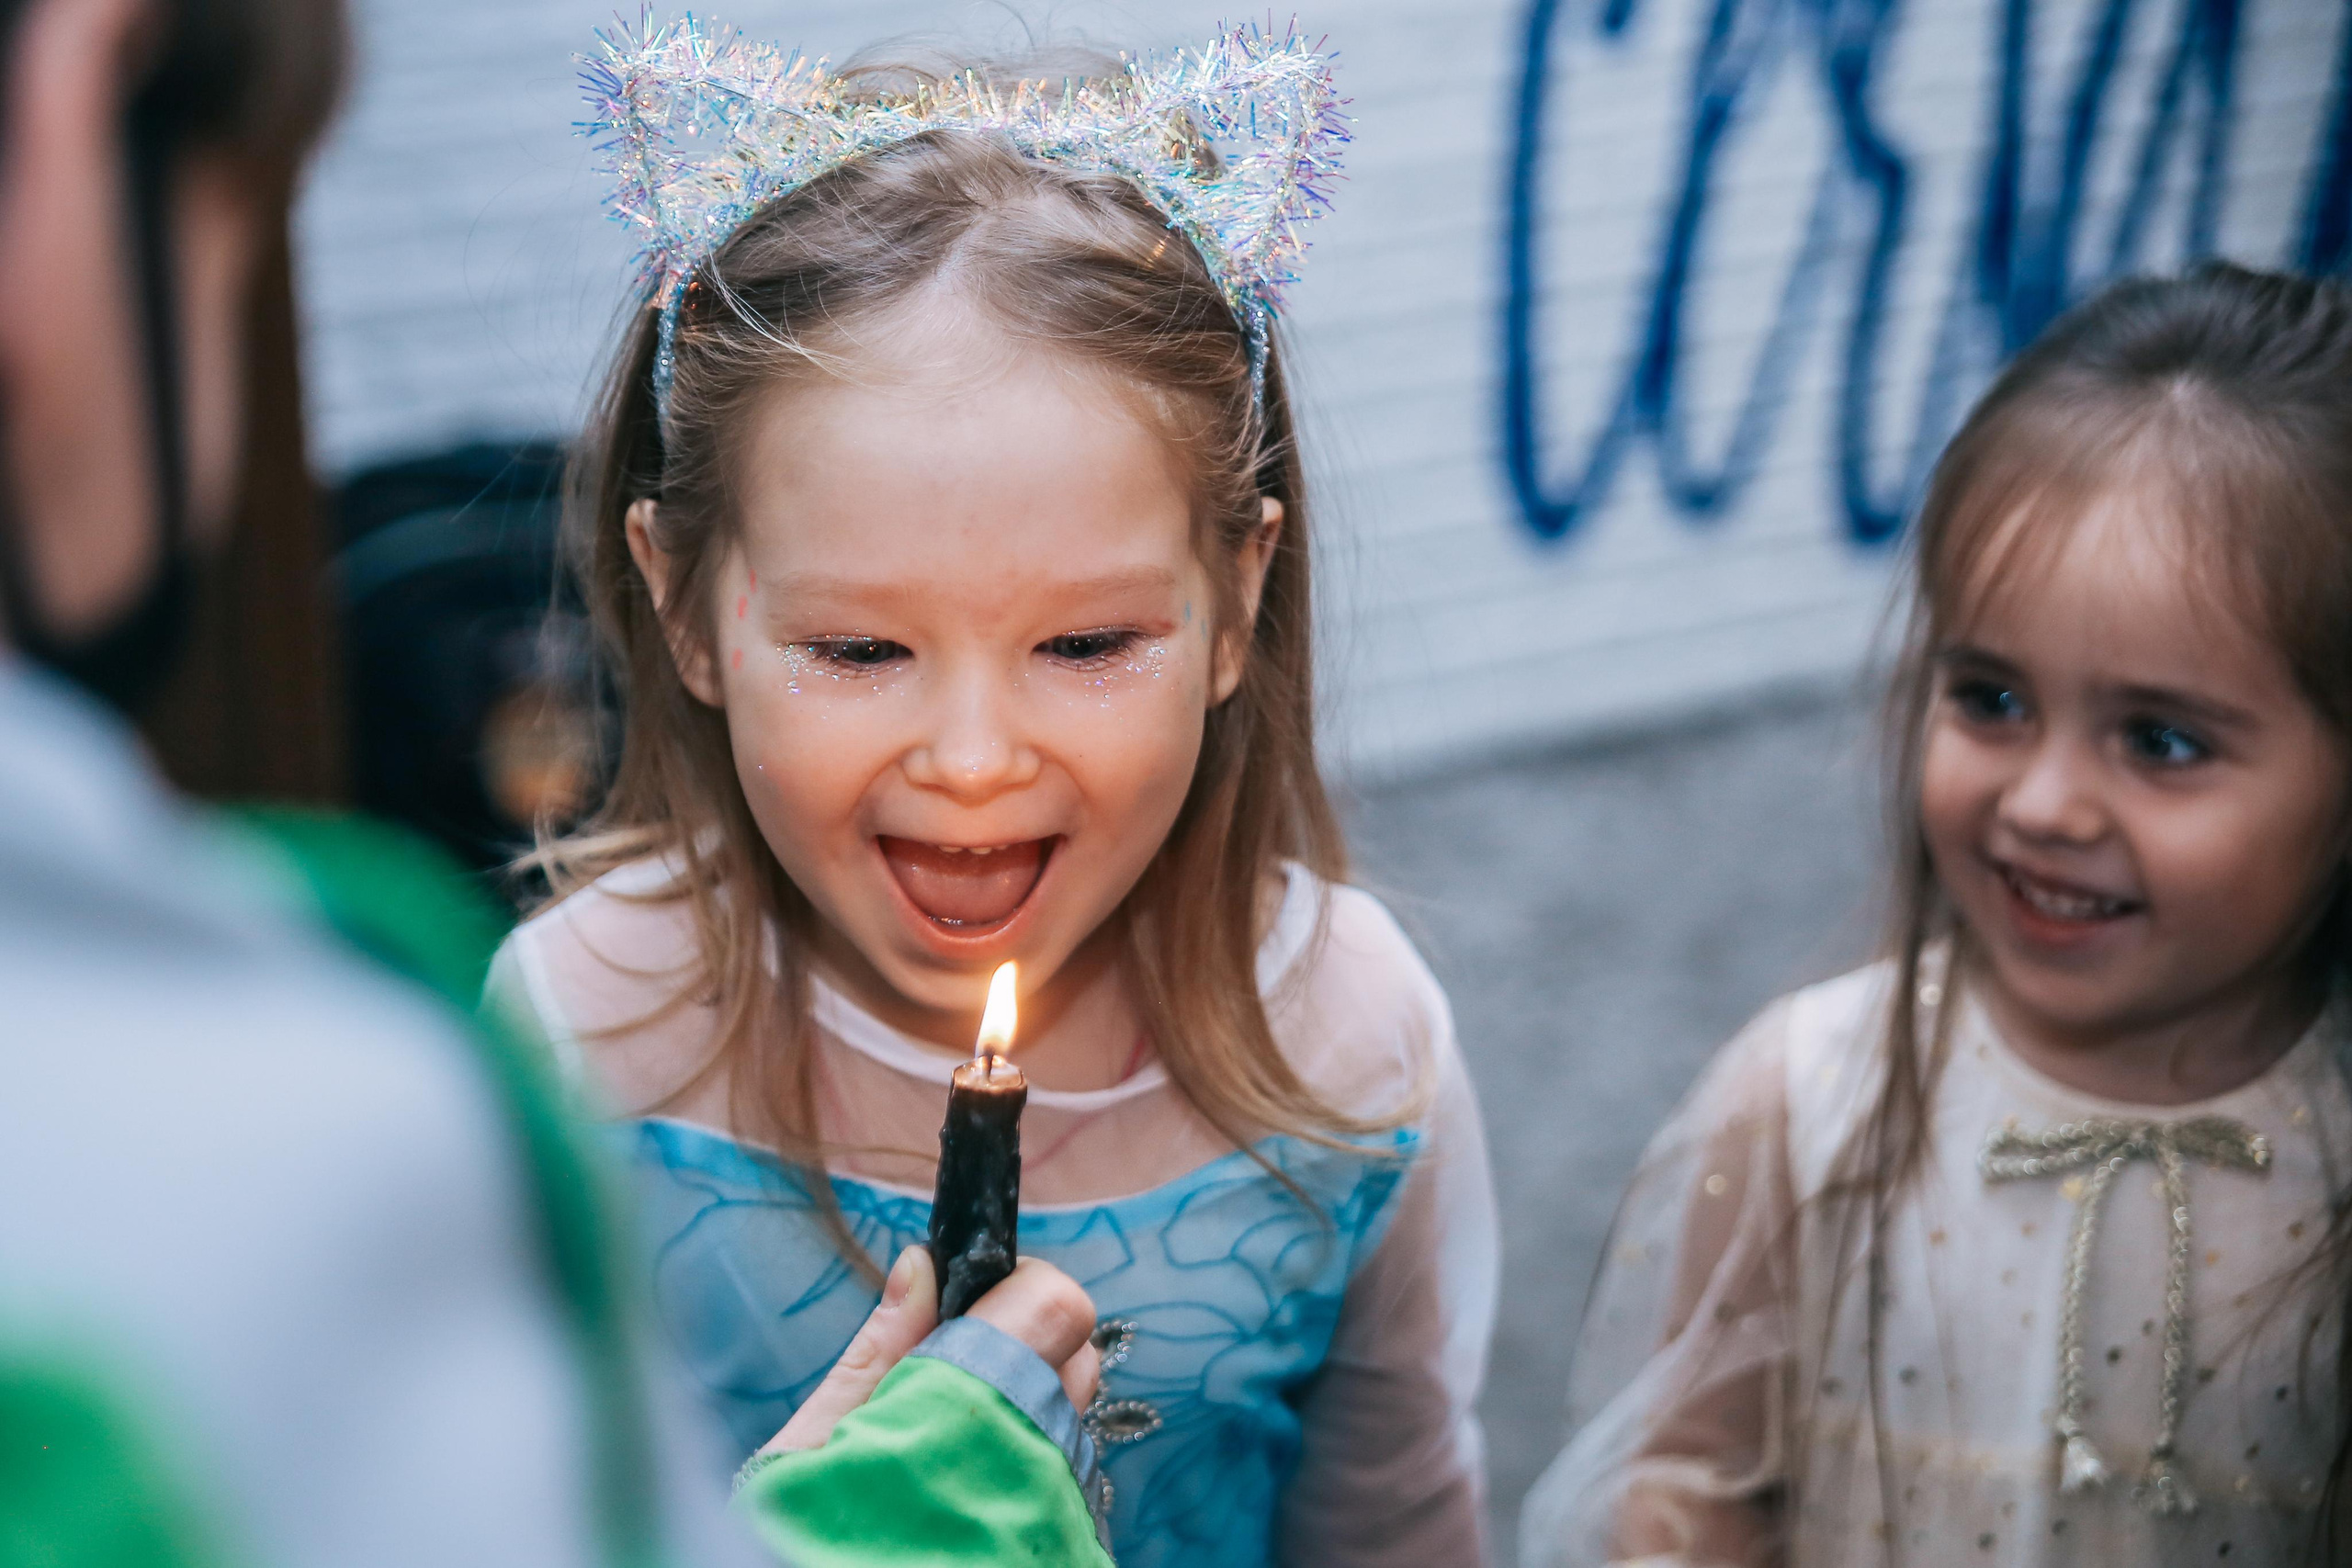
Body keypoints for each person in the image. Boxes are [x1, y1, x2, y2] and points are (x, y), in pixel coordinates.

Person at [0, 0, 1113, 1562]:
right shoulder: (318, 1117)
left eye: (1086, 638)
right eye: (233, 226)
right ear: (81, 84)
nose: (977, 758)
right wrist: (918, 1524)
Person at [490, 17, 1499, 1568]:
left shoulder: (1353, 1051)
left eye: (1086, 642)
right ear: (686, 605)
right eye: (859, 646)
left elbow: (1396, 1523)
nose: (972, 761)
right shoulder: (583, 1042)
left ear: (1237, 599)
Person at [1520, 261, 2352, 1566]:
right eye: (1993, 701)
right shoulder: (1807, 1102)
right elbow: (1691, 1484)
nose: (2048, 803)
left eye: (2161, 740)